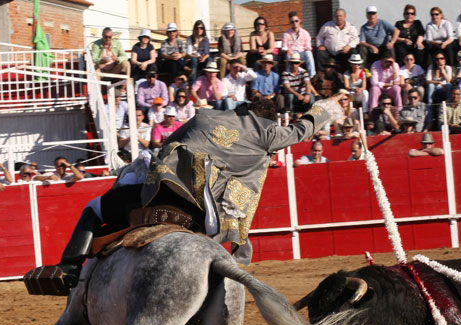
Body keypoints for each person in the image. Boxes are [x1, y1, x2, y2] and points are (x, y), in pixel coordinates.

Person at [25, 95, 341, 293]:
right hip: (209, 212)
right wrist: (328, 106)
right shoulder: (268, 132)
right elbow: (304, 129)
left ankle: (68, 269)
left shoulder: (204, 116)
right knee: (225, 252)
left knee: (95, 209)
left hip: (160, 190)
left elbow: (163, 147)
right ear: (268, 119)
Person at [315, 8, 359, 72]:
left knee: (353, 52)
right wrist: (320, 45)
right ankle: (322, 75)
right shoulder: (327, 26)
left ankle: (350, 74)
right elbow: (319, 37)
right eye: (337, 16)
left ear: (345, 16)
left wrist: (349, 46)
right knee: (319, 53)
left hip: (343, 53)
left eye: (340, 16)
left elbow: (356, 39)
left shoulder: (351, 27)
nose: (338, 18)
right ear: (334, 17)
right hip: (329, 53)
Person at [281, 12, 316, 78]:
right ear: (290, 23)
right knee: (288, 56)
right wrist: (286, 51)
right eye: (292, 22)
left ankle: (312, 76)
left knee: (308, 53)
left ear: (299, 21)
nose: (294, 23)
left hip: (302, 52)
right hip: (292, 53)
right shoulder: (286, 34)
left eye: (296, 21)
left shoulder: (305, 33)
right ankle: (288, 76)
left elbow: (308, 46)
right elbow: (284, 47)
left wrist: (307, 49)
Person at [394, 4, 426, 69]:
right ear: (404, 14)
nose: (409, 15)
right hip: (402, 44)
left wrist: (418, 41)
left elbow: (422, 33)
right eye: (407, 13)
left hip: (415, 44)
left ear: (414, 15)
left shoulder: (417, 23)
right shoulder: (399, 24)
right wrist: (403, 40)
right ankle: (402, 70)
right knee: (400, 50)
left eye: (412, 13)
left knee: (420, 49)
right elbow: (394, 37)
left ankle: (420, 70)